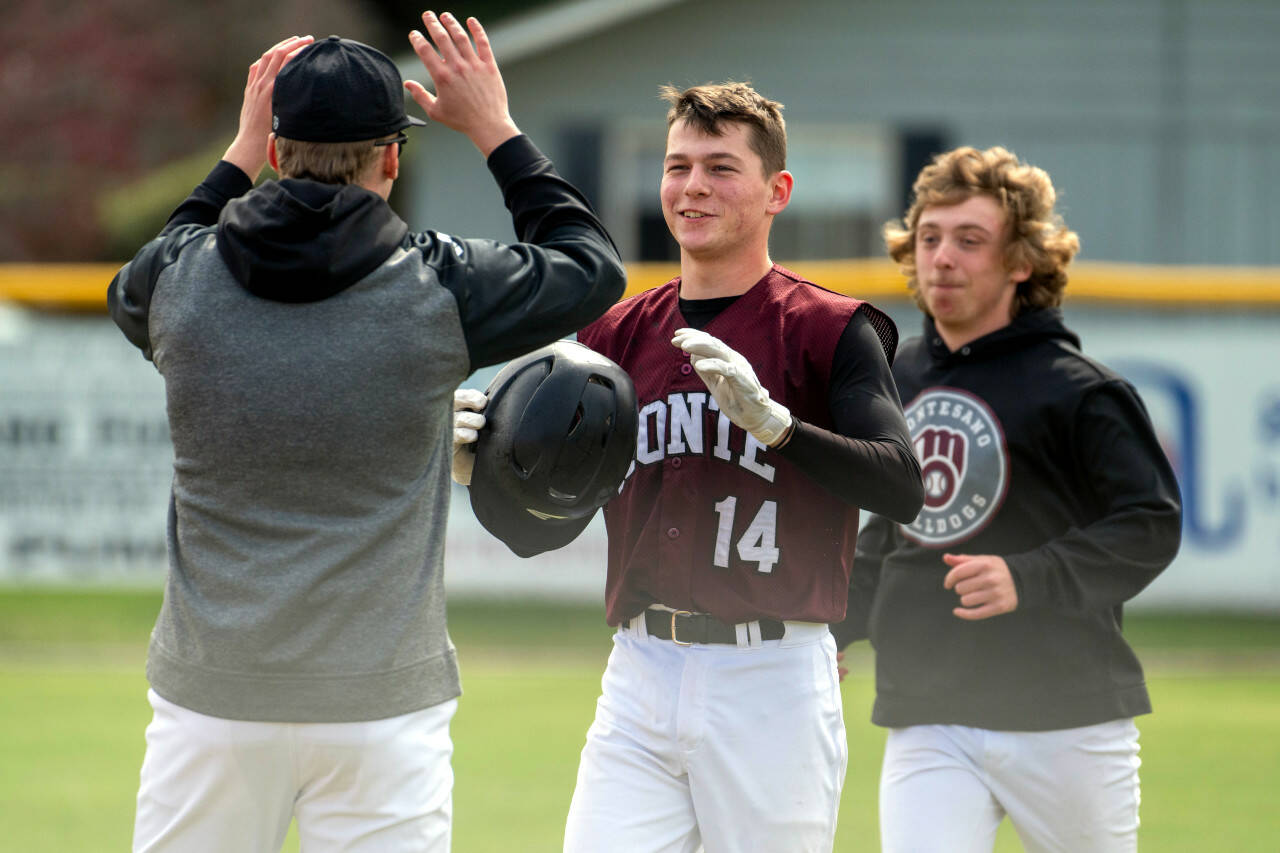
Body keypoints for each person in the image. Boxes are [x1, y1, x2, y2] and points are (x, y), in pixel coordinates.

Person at [108, 13, 623, 853]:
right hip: (382, 705)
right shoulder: (440, 284)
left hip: (213, 698)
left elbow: (153, 259)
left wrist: (233, 155)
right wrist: (495, 130)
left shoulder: (176, 277)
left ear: (275, 153)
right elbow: (591, 266)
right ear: (392, 157)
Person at [457, 81, 924, 852]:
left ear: (778, 191)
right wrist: (485, 476)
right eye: (678, 166)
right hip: (640, 669)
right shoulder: (612, 335)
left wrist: (778, 427)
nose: (693, 186)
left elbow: (901, 484)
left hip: (771, 674)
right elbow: (540, 535)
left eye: (720, 167)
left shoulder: (829, 328)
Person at [829, 146, 1182, 852]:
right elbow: (890, 531)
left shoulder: (1082, 391)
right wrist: (830, 625)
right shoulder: (893, 378)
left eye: (969, 240)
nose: (942, 258)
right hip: (926, 714)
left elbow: (1151, 524)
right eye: (929, 238)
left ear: (1021, 261)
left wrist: (1029, 575)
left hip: (1068, 718)